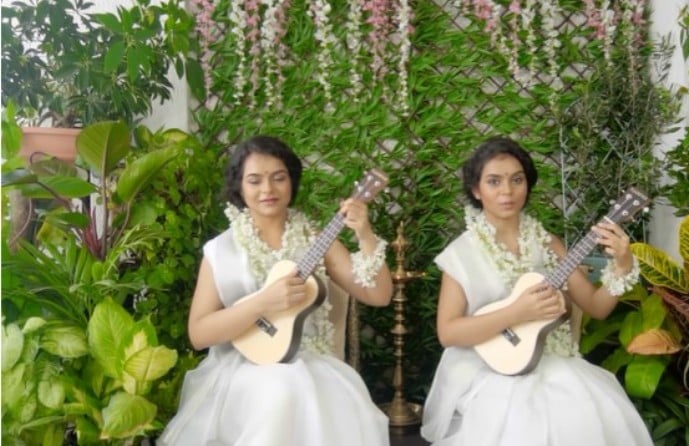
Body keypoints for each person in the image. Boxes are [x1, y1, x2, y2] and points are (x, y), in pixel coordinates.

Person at [158, 135, 393, 445]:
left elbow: (379, 295)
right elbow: (199, 334)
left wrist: (364, 234)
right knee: (280, 389)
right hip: (240, 368)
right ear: (239, 187)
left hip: (311, 362)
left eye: (278, 178)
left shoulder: (316, 239)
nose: (267, 189)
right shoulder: (220, 250)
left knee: (304, 388)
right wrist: (263, 303)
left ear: (292, 182)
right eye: (254, 180)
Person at [420, 137, 653, 445]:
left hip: (554, 360)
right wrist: (516, 312)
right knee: (520, 418)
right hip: (486, 368)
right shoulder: (461, 254)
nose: (507, 191)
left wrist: (622, 264)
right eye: (494, 181)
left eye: (517, 180)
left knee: (581, 409)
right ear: (476, 190)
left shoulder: (548, 243)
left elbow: (597, 307)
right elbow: (448, 332)